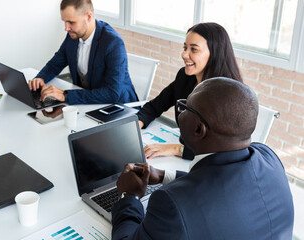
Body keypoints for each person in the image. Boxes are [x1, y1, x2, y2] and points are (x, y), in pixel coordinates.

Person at [112, 77, 294, 240]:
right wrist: (163, 176)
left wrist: (129, 196)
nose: (180, 113)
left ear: (199, 129)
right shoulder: (268, 157)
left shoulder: (171, 204)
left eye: (184, 108)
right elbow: (222, 186)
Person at [138, 22, 242, 160]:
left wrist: (177, 149)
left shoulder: (228, 94)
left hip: (209, 166)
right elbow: (154, 106)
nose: (184, 54)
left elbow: (222, 149)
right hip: (181, 160)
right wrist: (135, 127)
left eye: (194, 49)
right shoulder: (185, 77)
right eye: (185, 47)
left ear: (214, 54)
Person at [28, 0, 138, 105]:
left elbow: (112, 93)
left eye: (71, 22)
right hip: (88, 104)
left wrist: (65, 95)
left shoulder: (113, 42)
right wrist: (40, 78)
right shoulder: (73, 35)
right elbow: (56, 63)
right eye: (65, 22)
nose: (66, 28)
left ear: (89, 17)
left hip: (120, 107)